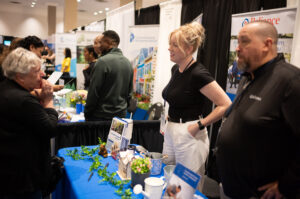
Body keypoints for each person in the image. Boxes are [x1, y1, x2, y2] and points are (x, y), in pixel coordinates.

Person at [216, 21, 300, 199]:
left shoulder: (291, 81)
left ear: (267, 44)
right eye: (237, 42)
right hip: (231, 188)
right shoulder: (248, 77)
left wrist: (286, 185)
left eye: (244, 41)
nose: (237, 48)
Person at [161, 22, 231, 189]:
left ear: (189, 49)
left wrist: (199, 125)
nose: (169, 48)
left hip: (190, 135)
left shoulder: (198, 73)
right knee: (168, 179)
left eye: (174, 45)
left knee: (186, 187)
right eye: (170, 43)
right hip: (172, 130)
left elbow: (226, 104)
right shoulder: (176, 70)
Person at [0, 47, 58, 198]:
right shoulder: (24, 100)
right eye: (37, 71)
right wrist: (48, 102)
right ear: (20, 77)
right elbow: (50, 129)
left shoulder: (5, 88)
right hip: (23, 178)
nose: (43, 74)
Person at [84, 30, 133, 121]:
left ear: (109, 43)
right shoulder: (128, 63)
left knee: (101, 136)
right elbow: (129, 93)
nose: (99, 45)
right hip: (120, 116)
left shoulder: (102, 62)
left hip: (101, 117)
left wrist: (87, 113)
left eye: (101, 42)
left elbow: (94, 92)